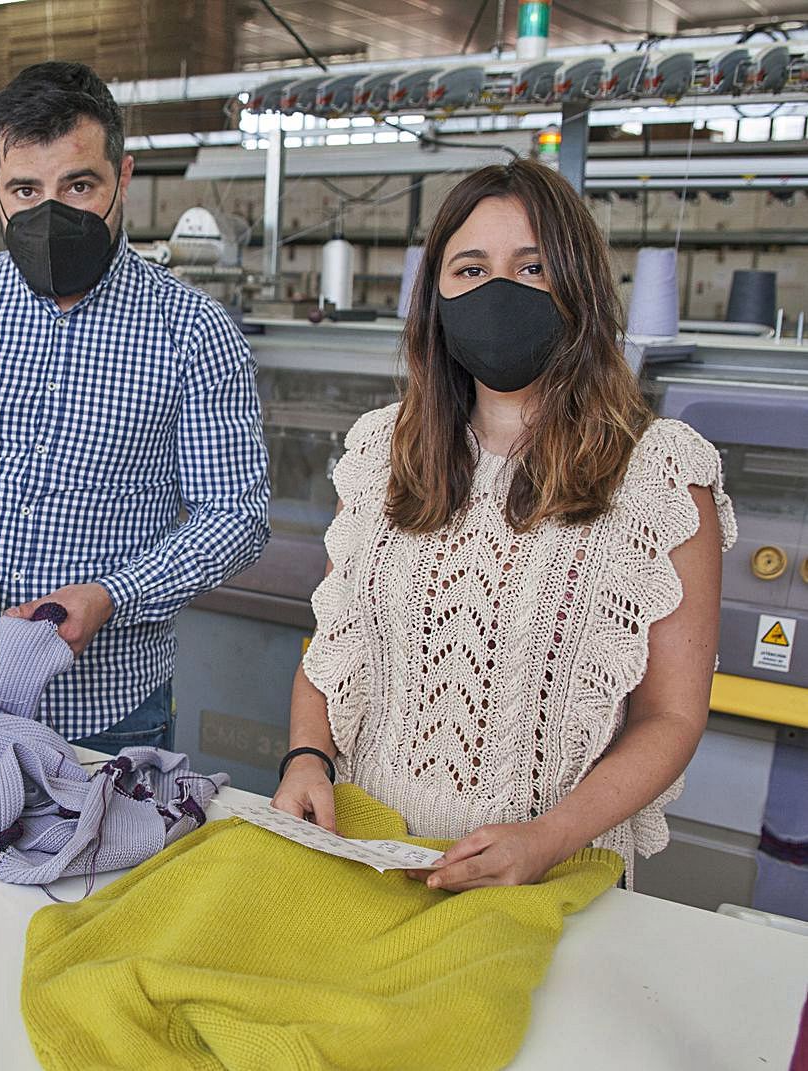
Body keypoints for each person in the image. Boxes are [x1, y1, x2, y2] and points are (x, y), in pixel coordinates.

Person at [272, 159, 735, 891]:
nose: (499, 290)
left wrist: (544, 839)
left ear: (578, 284)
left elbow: (671, 716)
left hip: (548, 870)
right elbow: (332, 642)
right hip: (369, 850)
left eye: (531, 266)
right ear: (438, 297)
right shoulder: (378, 452)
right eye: (470, 268)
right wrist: (305, 757)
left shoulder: (662, 476)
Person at [0, 61, 270, 754]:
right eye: (24, 188)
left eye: (78, 184)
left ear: (122, 177)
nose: (50, 211)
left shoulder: (192, 330)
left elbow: (235, 517)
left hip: (112, 709)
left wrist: (112, 594)